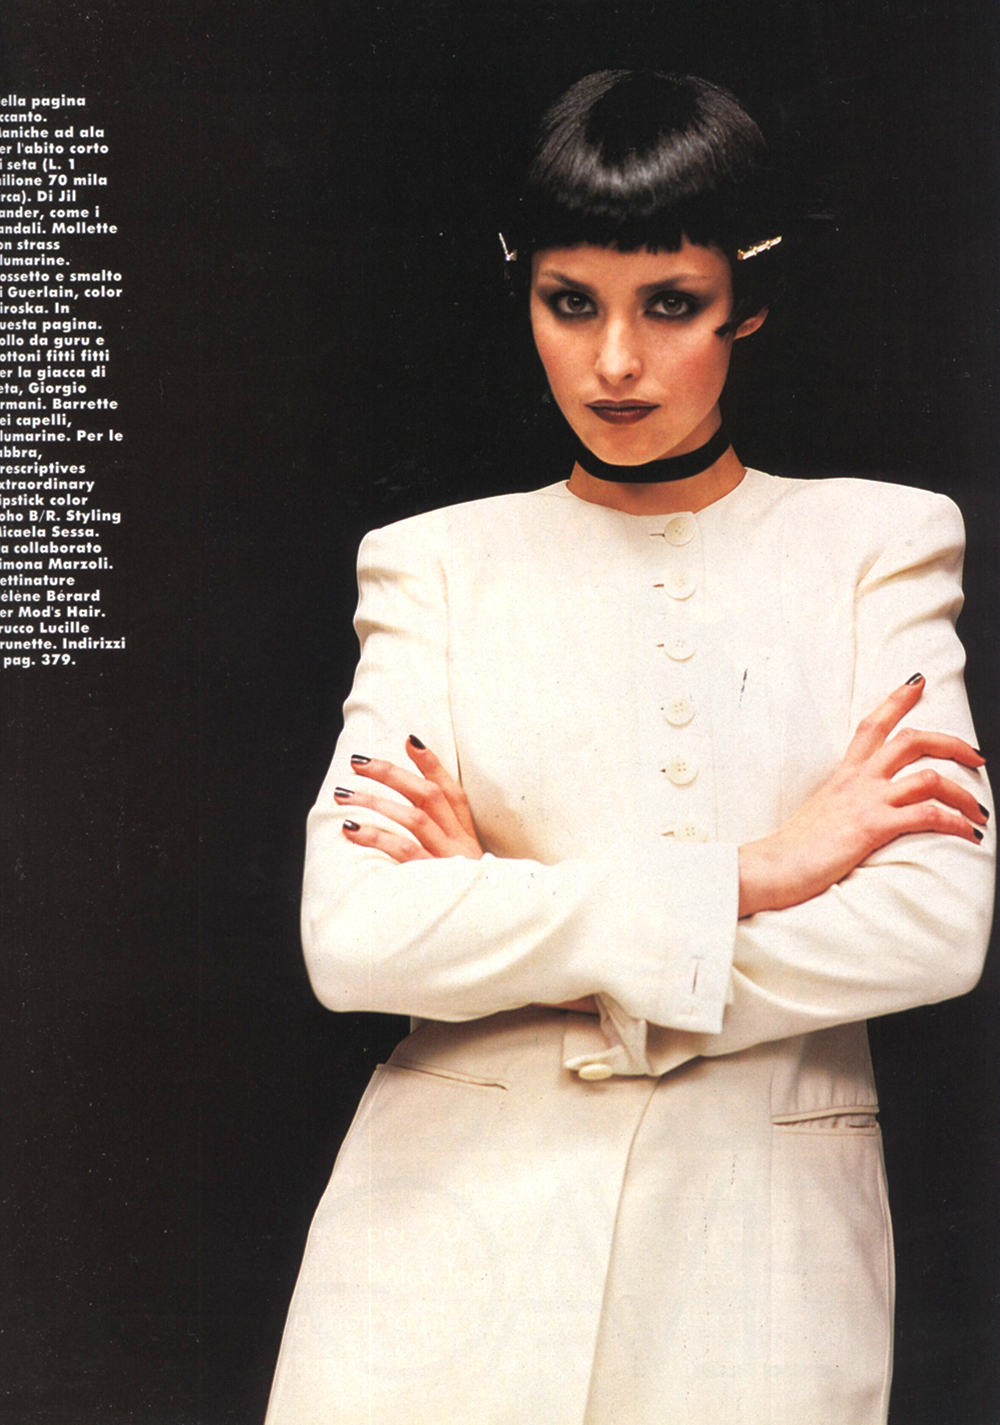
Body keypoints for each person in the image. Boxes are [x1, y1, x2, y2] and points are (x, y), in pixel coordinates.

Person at [265, 71, 994, 1424]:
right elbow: (354, 936)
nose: (613, 362)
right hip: (439, 1248)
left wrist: (513, 924)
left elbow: (933, 926)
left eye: (669, 305)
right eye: (570, 303)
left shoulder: (878, 546)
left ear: (748, 303)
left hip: (755, 1259)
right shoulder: (433, 567)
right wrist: (759, 872)